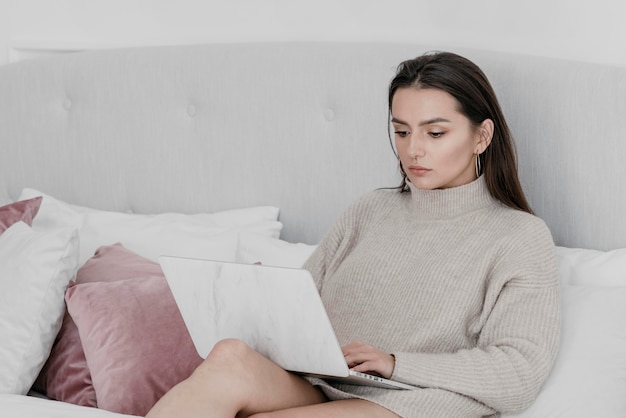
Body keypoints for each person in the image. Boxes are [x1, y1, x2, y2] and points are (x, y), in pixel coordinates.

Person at [146, 51, 560, 418]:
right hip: (320, 387)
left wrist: (396, 363)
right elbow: (296, 307)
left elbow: (518, 371)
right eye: (401, 131)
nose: (413, 149)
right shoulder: (370, 210)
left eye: (435, 133)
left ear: (481, 136)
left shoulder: (518, 236)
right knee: (229, 357)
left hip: (411, 401)